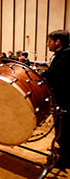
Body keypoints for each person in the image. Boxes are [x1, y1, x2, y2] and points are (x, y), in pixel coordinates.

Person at [41, 30, 70, 168]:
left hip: (65, 98)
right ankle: (62, 150)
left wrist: (40, 76)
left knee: (64, 127)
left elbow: (53, 73)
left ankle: (66, 160)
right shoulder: (61, 54)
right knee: (60, 126)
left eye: (49, 41)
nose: (48, 44)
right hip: (61, 96)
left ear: (58, 42)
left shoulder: (66, 54)